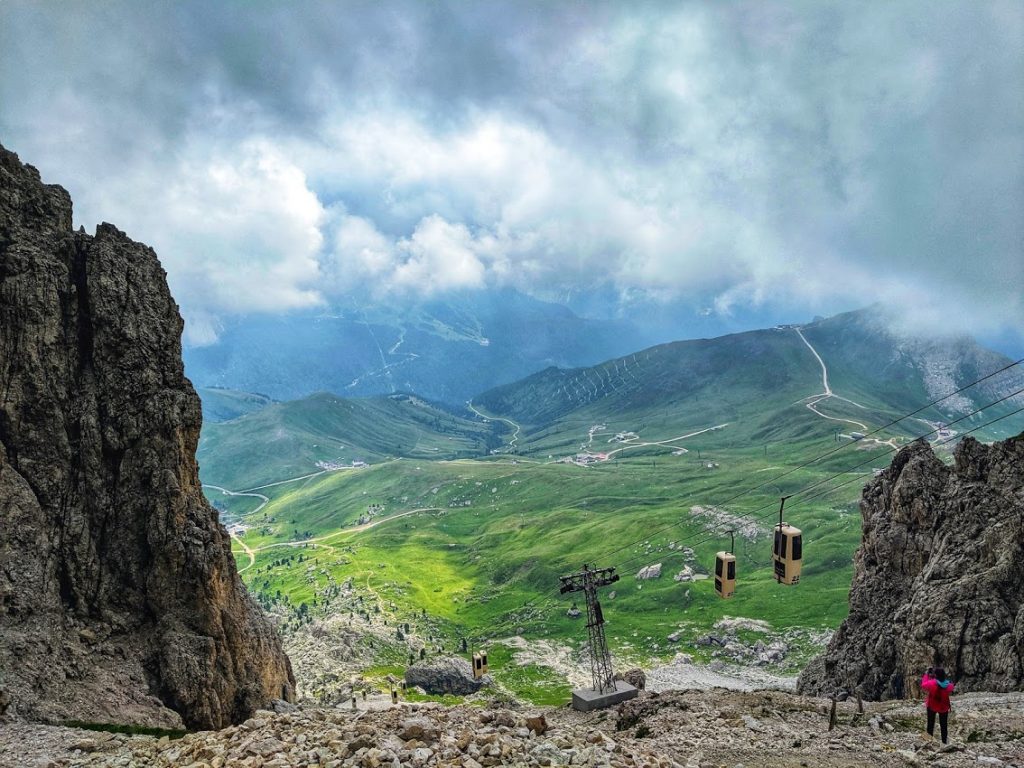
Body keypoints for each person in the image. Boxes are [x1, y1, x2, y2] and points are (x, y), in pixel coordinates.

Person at [921, 666, 955, 743]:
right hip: (944, 707)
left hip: (932, 706)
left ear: (935, 675)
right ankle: (944, 742)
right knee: (943, 725)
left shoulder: (932, 683)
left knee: (930, 724)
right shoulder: (948, 685)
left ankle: (929, 741)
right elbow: (951, 686)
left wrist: (927, 675)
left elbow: (923, 685)